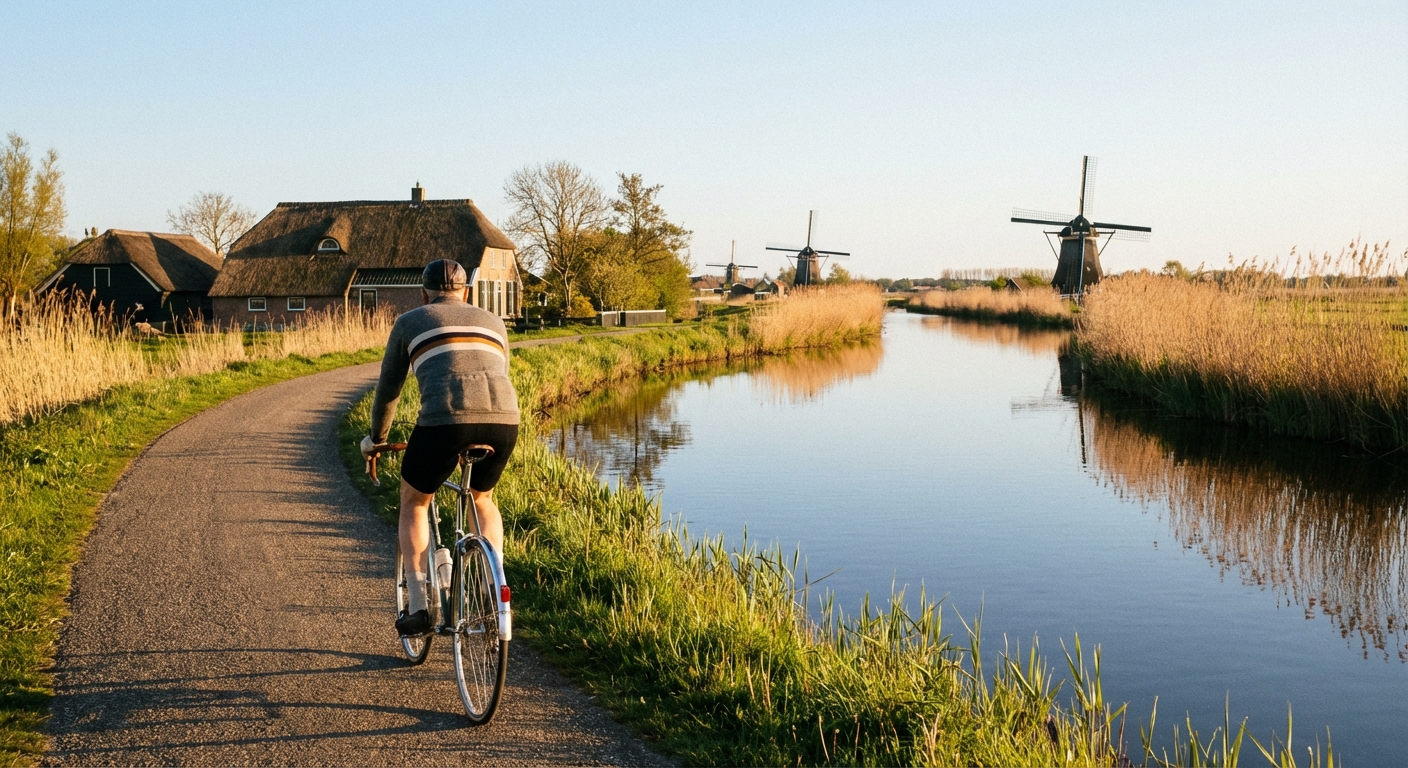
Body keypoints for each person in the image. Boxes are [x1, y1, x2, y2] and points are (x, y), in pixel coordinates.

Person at [360, 259, 519, 637]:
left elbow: (388, 390)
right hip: (504, 420)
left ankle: (419, 608)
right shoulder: (494, 322)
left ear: (423, 293)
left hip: (445, 420)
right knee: (482, 498)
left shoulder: (410, 321)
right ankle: (491, 588)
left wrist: (377, 439)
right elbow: (502, 371)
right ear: (466, 292)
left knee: (415, 500)